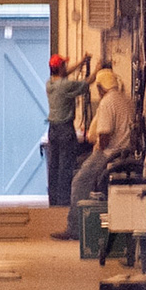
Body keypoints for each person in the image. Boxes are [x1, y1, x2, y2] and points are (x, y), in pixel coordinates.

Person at [54, 68, 134, 240]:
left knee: (79, 181)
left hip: (110, 153)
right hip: (126, 153)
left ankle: (74, 228)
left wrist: (97, 147)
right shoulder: (125, 99)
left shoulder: (107, 102)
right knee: (82, 170)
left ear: (99, 87)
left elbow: (104, 135)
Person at [44, 53, 91, 206]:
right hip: (65, 129)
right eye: (64, 65)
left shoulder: (50, 84)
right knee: (65, 166)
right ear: (60, 68)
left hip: (53, 129)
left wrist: (81, 62)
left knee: (54, 166)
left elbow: (65, 74)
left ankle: (54, 200)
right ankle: (64, 201)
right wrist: (97, 70)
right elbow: (86, 84)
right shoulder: (66, 85)